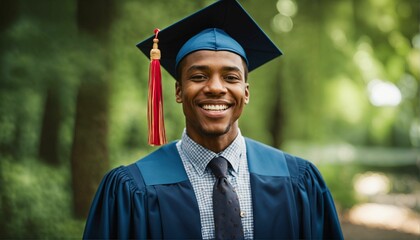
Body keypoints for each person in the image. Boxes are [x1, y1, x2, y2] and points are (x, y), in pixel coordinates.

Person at [83, 0, 344, 239]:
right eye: (198, 76)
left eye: (231, 77)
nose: (216, 88)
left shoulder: (298, 181)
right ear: (178, 91)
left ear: (246, 92)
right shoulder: (132, 190)